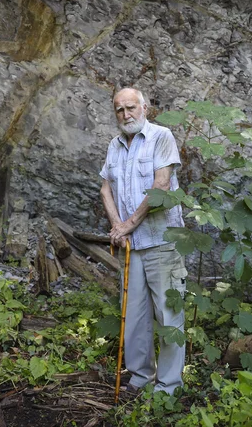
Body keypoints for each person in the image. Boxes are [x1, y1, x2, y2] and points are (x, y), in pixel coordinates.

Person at [99, 88, 188, 395]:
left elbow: (160, 187)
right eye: (119, 110)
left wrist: (128, 224)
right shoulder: (114, 144)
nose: (126, 114)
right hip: (131, 247)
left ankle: (168, 389)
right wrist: (116, 226)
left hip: (162, 241)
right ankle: (139, 379)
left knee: (168, 315)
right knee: (134, 316)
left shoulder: (161, 136)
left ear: (145, 107)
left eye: (131, 107)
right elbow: (105, 189)